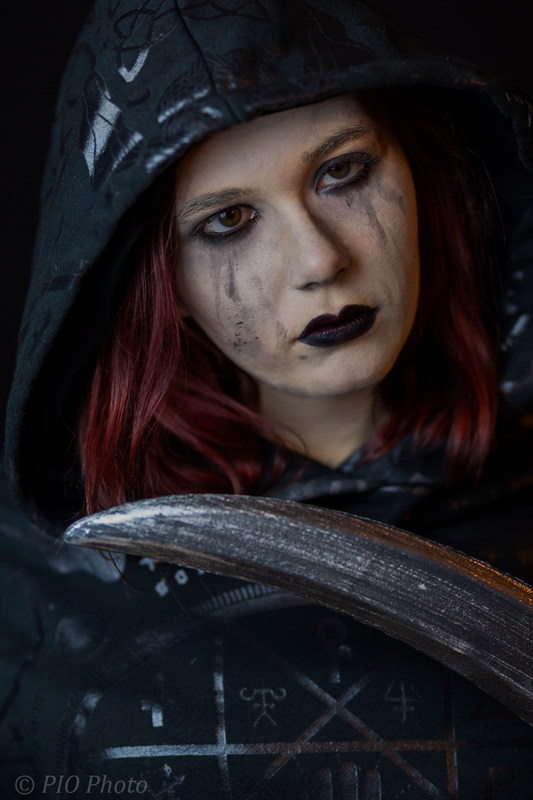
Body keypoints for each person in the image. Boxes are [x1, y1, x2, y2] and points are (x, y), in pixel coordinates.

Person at [1, 0, 532, 797]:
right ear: (162, 284)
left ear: (416, 172)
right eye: (229, 219)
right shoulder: (43, 589)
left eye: (341, 172)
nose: (318, 260)